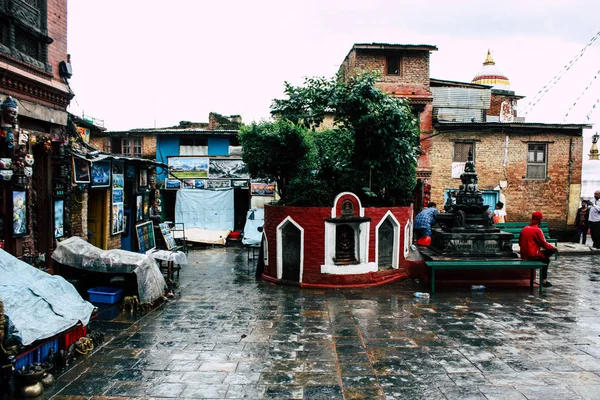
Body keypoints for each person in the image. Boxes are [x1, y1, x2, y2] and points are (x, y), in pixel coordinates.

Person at [519, 211, 557, 287]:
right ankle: (544, 281)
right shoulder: (537, 230)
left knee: (544, 256)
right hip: (532, 255)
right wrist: (554, 247)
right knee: (547, 259)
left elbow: (519, 242)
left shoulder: (525, 228)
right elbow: (545, 245)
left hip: (523, 254)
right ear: (540, 220)